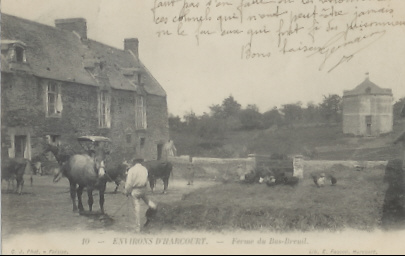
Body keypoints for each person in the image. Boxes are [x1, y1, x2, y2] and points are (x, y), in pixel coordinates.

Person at [124, 157, 157, 233]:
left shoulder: (132, 170)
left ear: (134, 162)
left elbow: (129, 183)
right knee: (147, 201)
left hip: (135, 190)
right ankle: (155, 208)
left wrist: (126, 191)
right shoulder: (144, 169)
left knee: (136, 209)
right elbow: (146, 180)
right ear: (141, 162)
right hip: (143, 189)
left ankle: (137, 228)